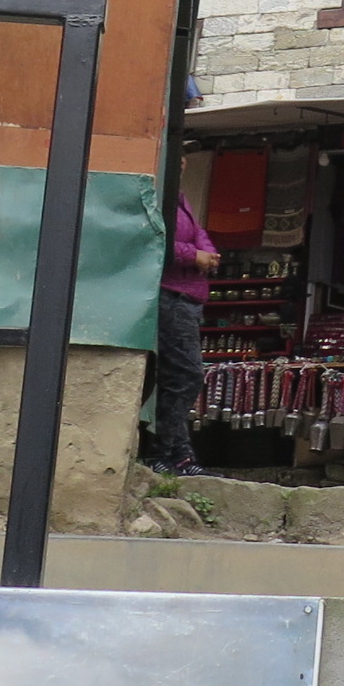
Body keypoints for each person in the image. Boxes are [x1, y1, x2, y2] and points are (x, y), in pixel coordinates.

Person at [152, 193, 220, 477]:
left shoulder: (180, 199)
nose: (181, 163)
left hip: (187, 295)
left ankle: (180, 456)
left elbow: (199, 233)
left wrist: (207, 253)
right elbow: (157, 241)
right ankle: (161, 453)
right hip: (173, 294)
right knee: (187, 376)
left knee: (176, 377)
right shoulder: (159, 197)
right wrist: (195, 255)